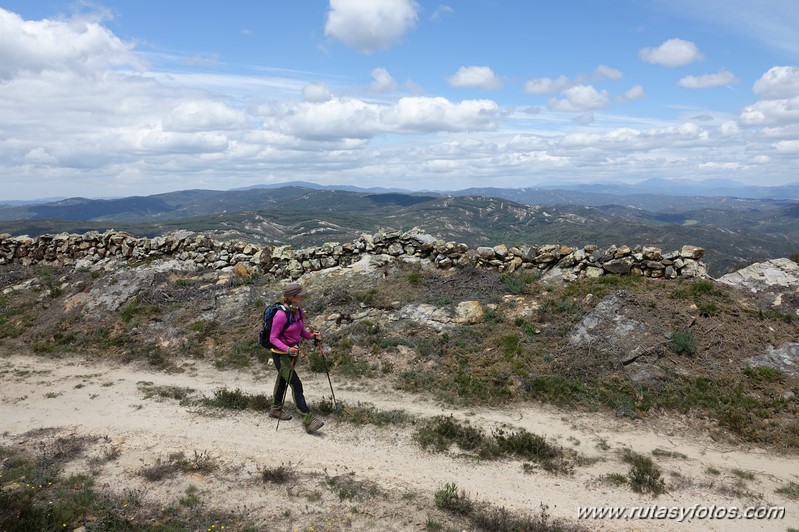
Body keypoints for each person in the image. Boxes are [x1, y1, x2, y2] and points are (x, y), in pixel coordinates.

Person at [269, 282, 324, 434]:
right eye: (300, 295)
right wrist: (287, 349)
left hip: (293, 353)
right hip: (281, 356)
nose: (303, 297)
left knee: (282, 380)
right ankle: (308, 420)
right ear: (292, 297)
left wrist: (312, 336)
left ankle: (275, 409)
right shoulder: (280, 315)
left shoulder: (298, 311)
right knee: (296, 384)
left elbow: (300, 332)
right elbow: (273, 338)